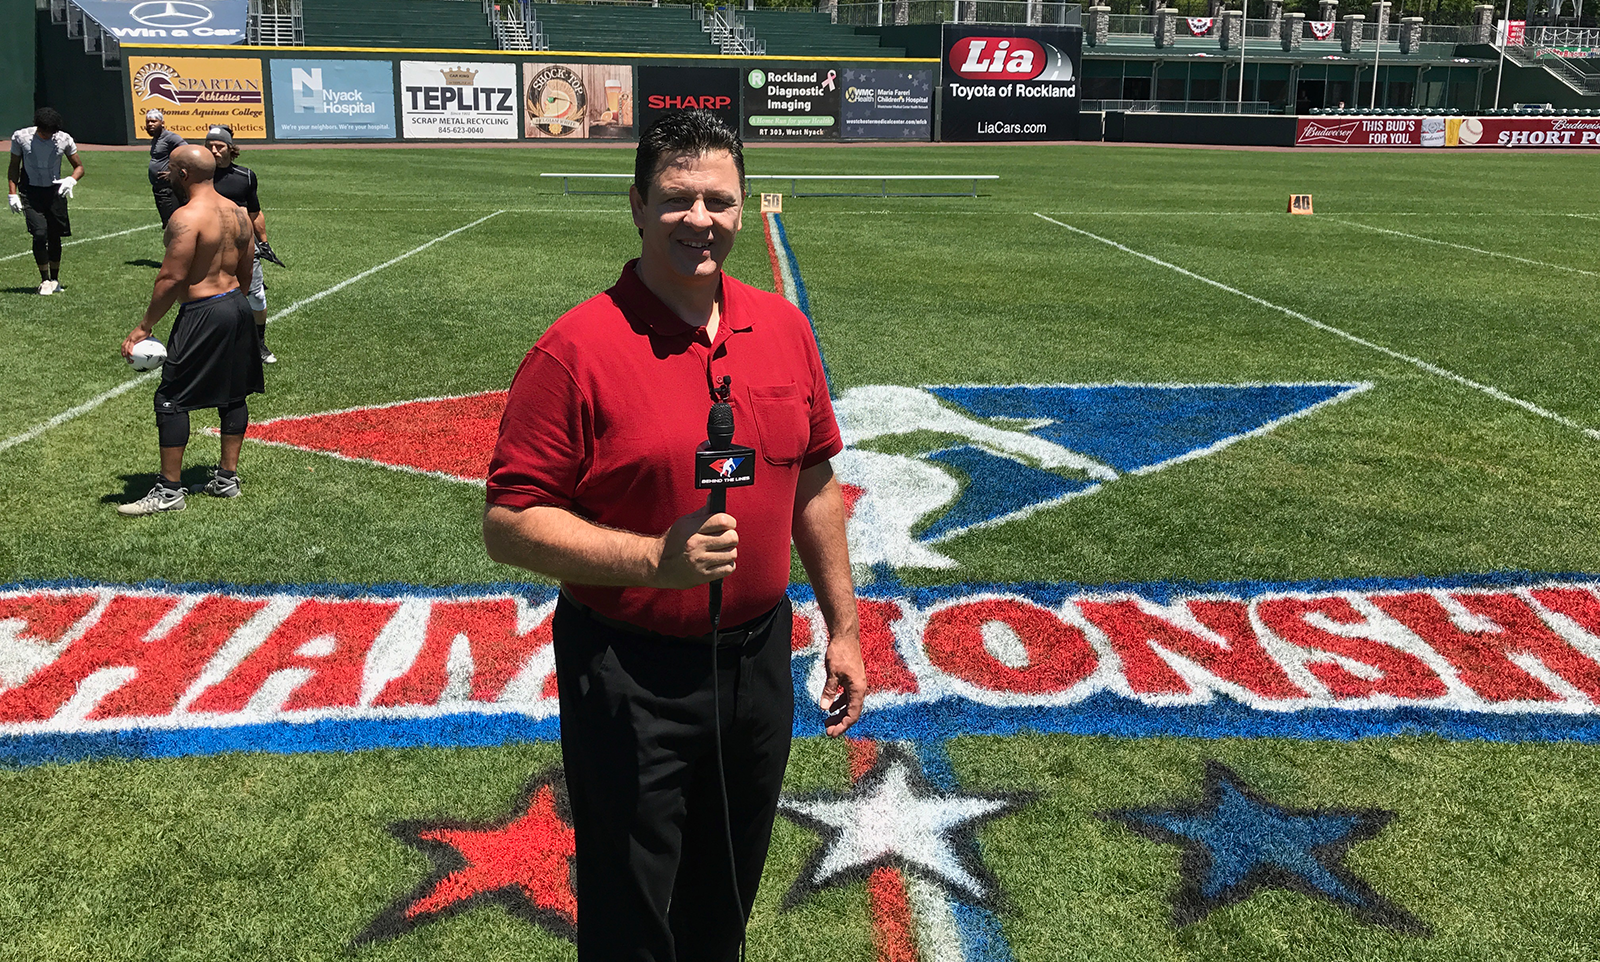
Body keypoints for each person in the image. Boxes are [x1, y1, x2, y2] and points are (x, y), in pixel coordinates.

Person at [482, 110, 867, 962]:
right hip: (629, 671)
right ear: (636, 205)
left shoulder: (784, 329)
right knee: (630, 910)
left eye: (718, 201)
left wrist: (843, 626)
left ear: (743, 207)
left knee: (724, 895)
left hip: (757, 664)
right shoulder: (575, 350)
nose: (700, 219)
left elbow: (812, 481)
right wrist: (653, 561)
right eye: (677, 199)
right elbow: (509, 524)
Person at [117, 145, 262, 517]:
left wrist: (144, 326)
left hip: (203, 311)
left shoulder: (185, 217)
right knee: (233, 394)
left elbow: (171, 277)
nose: (164, 173)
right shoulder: (238, 212)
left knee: (170, 397)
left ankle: (168, 491)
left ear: (183, 175)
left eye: (170, 168)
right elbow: (247, 267)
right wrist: (234, 305)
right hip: (237, 305)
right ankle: (227, 479)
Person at [205, 125, 276, 364]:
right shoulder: (199, 176)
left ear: (230, 148)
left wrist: (264, 242)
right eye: (209, 146)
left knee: (256, 296)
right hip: (211, 247)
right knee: (213, 296)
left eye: (219, 146)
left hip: (244, 246)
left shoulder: (245, 176)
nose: (214, 151)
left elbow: (255, 212)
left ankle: (259, 343)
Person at [8, 107, 84, 296]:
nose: (47, 135)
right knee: (40, 233)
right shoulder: (21, 137)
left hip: (54, 192)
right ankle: (44, 280)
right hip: (31, 192)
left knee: (55, 235)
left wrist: (71, 180)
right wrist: (12, 193)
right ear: (37, 127)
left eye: (51, 132)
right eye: (44, 132)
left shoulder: (64, 139)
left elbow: (79, 167)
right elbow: (14, 166)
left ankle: (55, 280)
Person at [145, 109, 185, 227]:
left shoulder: (171, 138)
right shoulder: (156, 139)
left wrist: (175, 173)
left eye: (154, 121)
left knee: (173, 224)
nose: (150, 124)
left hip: (169, 190)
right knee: (166, 223)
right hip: (159, 189)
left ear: (162, 123)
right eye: (148, 122)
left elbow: (187, 153)